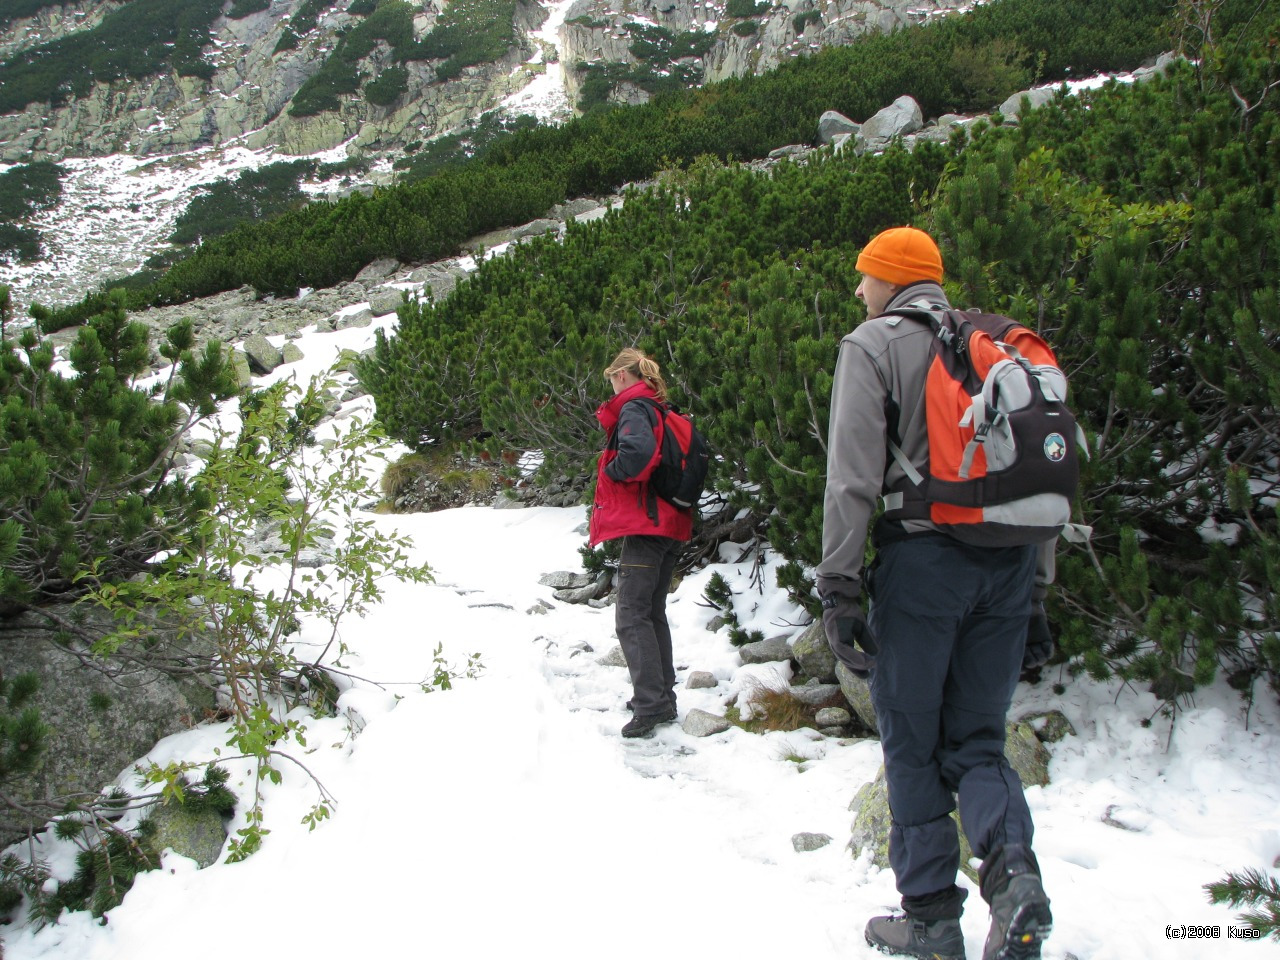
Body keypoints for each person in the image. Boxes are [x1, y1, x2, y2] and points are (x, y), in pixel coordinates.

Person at [818, 227, 1054, 960]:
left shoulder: (874, 345)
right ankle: (1015, 883)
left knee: (914, 748)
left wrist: (839, 586)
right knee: (979, 742)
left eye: (866, 276)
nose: (859, 291)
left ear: (892, 280)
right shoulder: (995, 345)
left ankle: (930, 921)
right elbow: (1036, 481)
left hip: (923, 568)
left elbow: (851, 479)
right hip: (1009, 569)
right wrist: (1038, 591)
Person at [588, 348, 693, 738]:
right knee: (651, 611)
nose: (611, 386)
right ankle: (661, 698)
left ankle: (651, 706)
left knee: (631, 613)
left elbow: (637, 455)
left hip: (648, 526)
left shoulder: (635, 408)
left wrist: (611, 470)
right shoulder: (659, 407)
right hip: (671, 524)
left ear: (621, 376)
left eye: (611, 378)